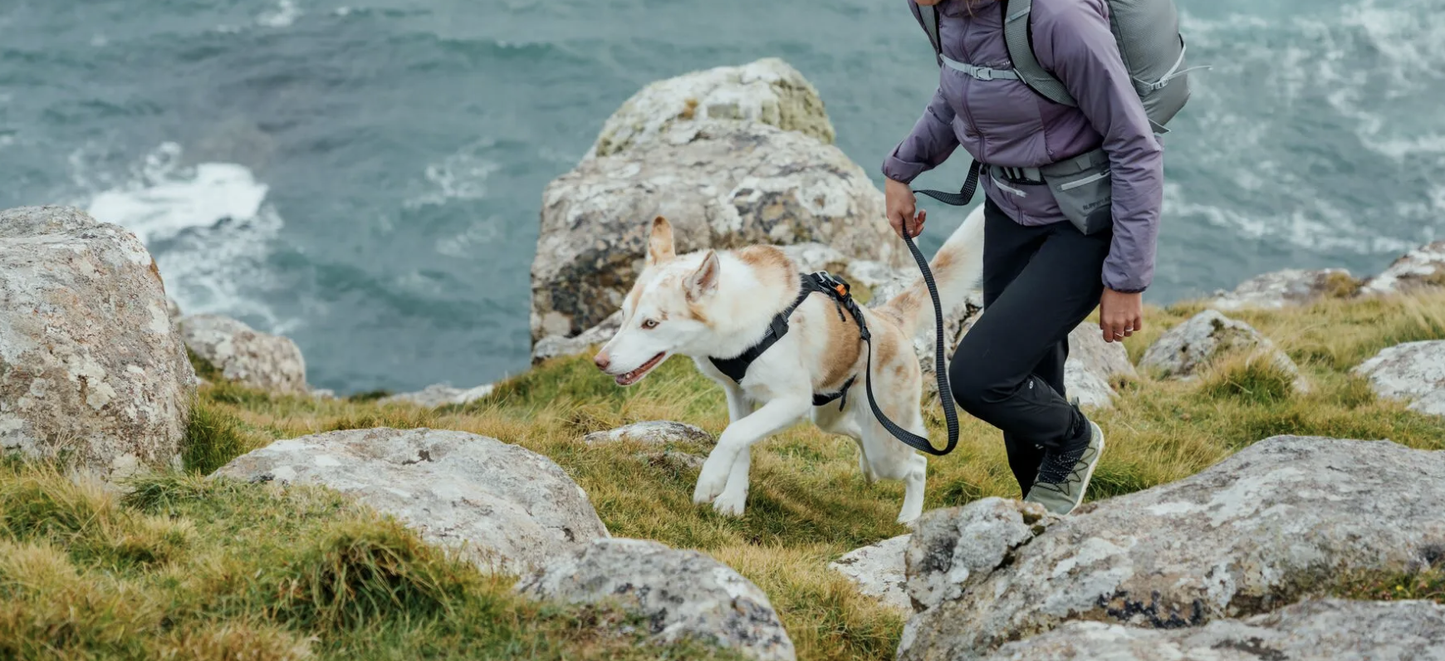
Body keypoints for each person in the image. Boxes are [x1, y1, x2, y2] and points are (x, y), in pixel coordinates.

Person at [882, 0, 1164, 515]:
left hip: (1083, 222)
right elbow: (955, 93)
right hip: (1008, 209)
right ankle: (1044, 521)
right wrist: (902, 169)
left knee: (982, 378)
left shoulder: (1059, 19)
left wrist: (1126, 279)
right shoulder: (939, 9)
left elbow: (1135, 147)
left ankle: (1076, 439)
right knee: (1027, 384)